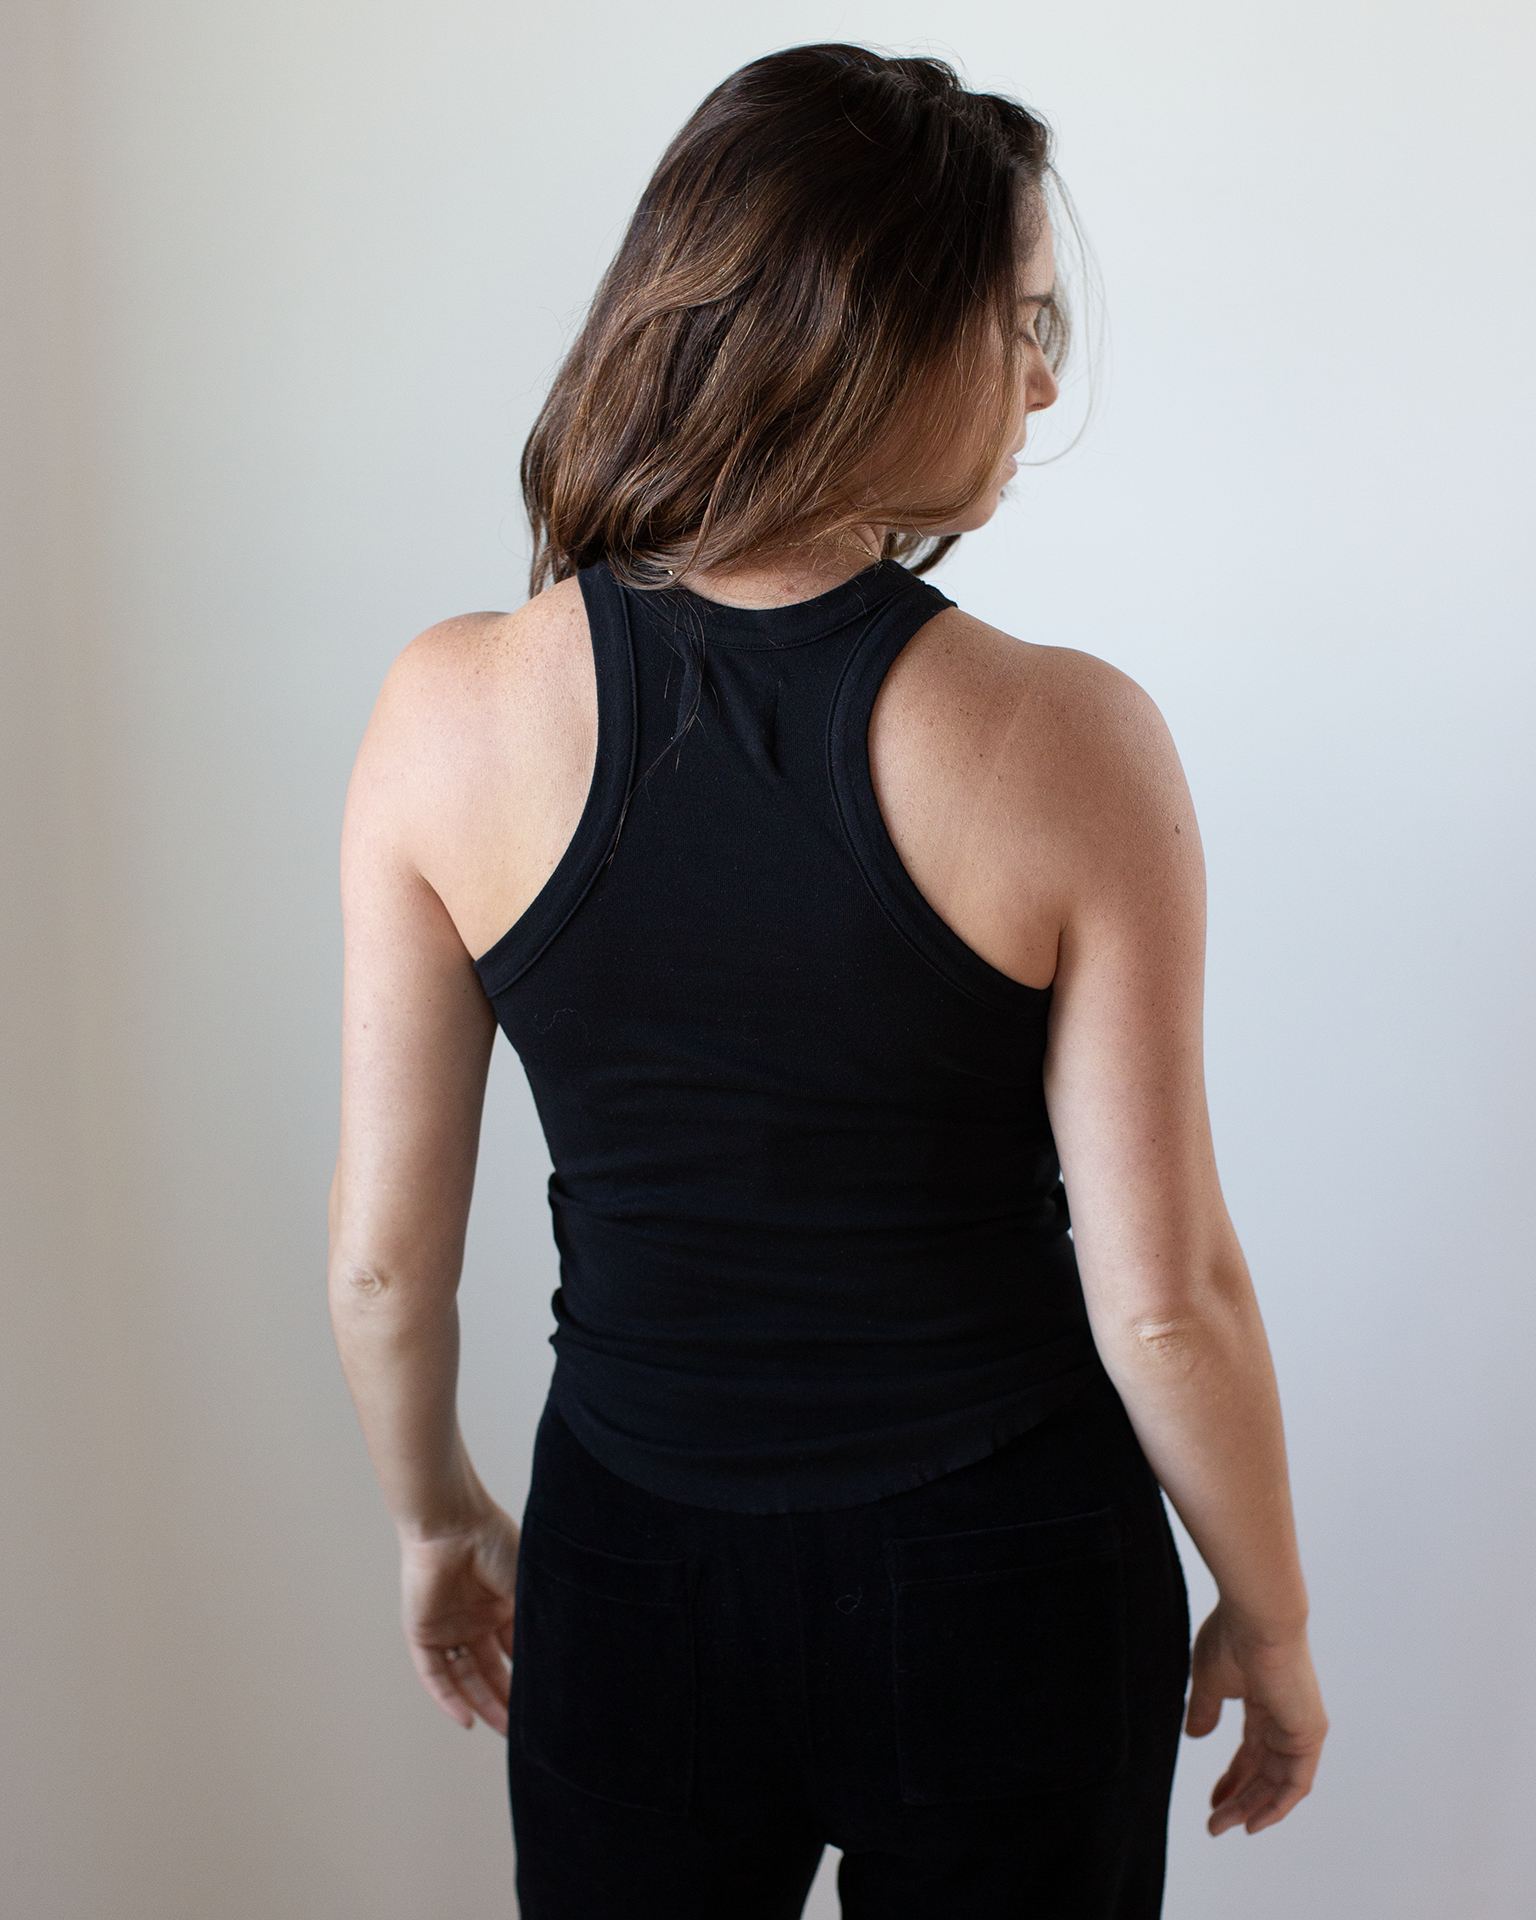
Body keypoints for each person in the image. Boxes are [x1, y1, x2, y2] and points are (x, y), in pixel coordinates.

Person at [328, 42, 1327, 1920]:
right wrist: (1269, 1615)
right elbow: (1172, 1303)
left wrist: (436, 1514)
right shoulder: (1069, 742)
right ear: (868, 325)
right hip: (1008, 1574)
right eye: (1019, 315)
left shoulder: (446, 713)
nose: (1045, 377)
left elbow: (386, 1258)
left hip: (630, 1562)